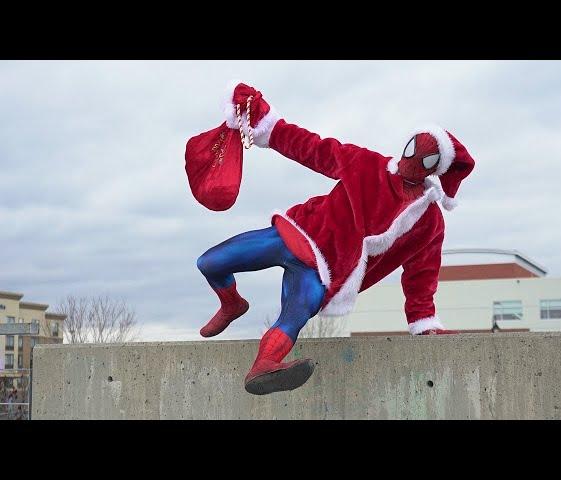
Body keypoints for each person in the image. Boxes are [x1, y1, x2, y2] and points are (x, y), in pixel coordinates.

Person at [195, 82, 476, 395]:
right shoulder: (368, 165)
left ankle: (265, 367)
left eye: (425, 160)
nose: (411, 161)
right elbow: (314, 149)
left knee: (293, 316)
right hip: (298, 234)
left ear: (435, 169)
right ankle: (232, 303)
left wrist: (424, 321)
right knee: (209, 263)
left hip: (323, 273)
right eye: (412, 150)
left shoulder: (428, 220)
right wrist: (267, 124)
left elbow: (422, 272)